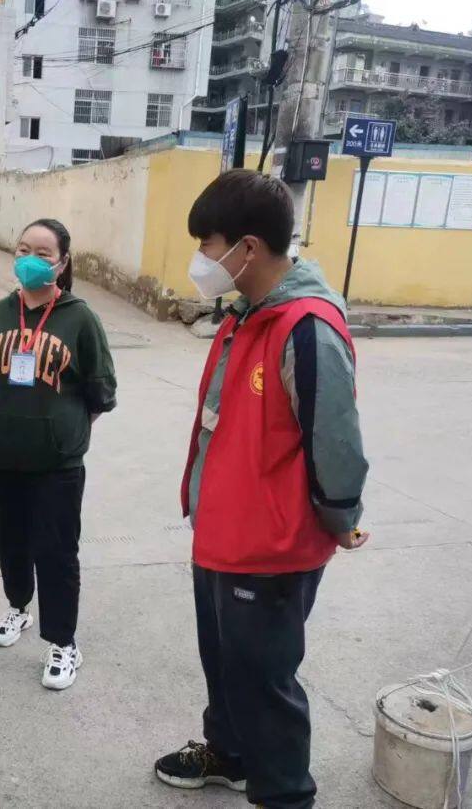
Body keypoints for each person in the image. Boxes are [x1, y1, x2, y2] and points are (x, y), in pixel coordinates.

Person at [153, 170, 369, 809]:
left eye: (207, 243)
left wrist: (340, 517)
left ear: (247, 248)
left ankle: (285, 796)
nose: (200, 258)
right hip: (223, 535)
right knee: (225, 664)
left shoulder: (306, 327)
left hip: (271, 549)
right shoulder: (246, 316)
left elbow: (335, 442)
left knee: (264, 684)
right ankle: (229, 753)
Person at [0, 218, 117, 691]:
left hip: (56, 466)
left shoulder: (80, 319)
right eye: (24, 249)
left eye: (43, 253)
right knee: (9, 540)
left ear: (62, 263)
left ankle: (64, 642)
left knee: (56, 552)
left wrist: (65, 432)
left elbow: (100, 391)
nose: (30, 259)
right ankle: (18, 607)